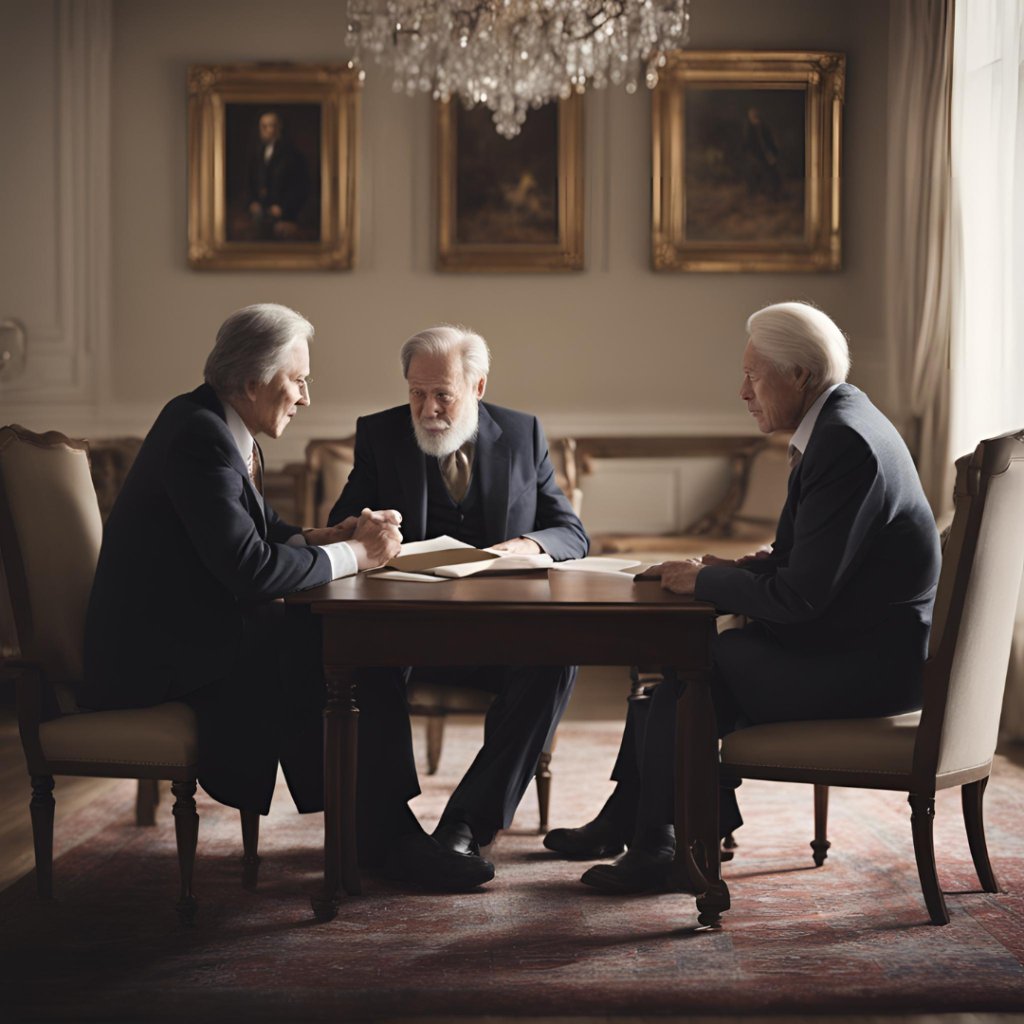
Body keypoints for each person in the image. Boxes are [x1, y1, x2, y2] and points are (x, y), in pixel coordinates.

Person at [546, 301, 942, 893]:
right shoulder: (841, 421)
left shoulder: (845, 442)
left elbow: (799, 598)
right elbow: (807, 559)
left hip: (868, 669)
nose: (743, 391)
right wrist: (717, 567)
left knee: (705, 661)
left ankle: (664, 844)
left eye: (754, 375)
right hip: (858, 645)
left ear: (799, 375)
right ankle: (640, 824)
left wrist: (703, 582)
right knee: (678, 686)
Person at [80, 304, 402, 818]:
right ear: (254, 382)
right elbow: (250, 570)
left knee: (341, 642)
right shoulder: (199, 436)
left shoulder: (219, 425)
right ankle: (370, 822)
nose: (306, 397)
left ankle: (365, 818)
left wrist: (325, 536)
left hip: (184, 631)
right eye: (297, 380)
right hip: (153, 660)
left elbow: (262, 532)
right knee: (336, 644)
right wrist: (357, 554)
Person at [327, 324, 590, 891]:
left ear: (477, 385)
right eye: (416, 393)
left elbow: (571, 531)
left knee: (557, 659)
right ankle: (389, 831)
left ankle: (465, 827)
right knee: (356, 662)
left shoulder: (523, 433)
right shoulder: (379, 434)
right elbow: (342, 525)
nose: (427, 409)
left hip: (497, 633)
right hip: (403, 633)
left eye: (442, 394)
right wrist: (363, 529)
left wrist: (530, 544)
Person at [245, 112, 311, 240]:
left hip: (286, 214)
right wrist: (253, 202)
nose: (266, 130)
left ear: (278, 128)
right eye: (263, 126)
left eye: (270, 126)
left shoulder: (292, 154)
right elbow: (251, 182)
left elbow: (302, 186)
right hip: (262, 211)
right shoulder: (258, 152)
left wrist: (283, 207)